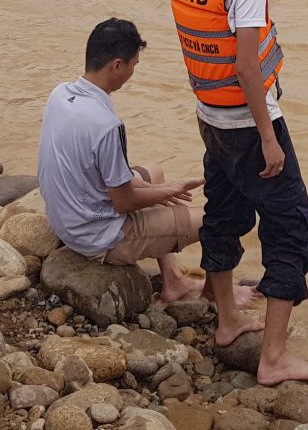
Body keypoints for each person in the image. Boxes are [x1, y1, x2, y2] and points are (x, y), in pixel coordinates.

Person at [168, 0, 308, 385]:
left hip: (208, 115)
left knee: (225, 206)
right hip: (245, 120)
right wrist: (267, 137)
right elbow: (246, 66)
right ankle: (274, 358)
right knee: (290, 226)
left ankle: (229, 320)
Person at [38, 18, 204, 300]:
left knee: (154, 172)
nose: (132, 73)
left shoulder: (61, 94)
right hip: (96, 235)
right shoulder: (106, 125)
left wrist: (156, 189)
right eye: (133, 66)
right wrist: (172, 190)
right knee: (214, 221)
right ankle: (220, 300)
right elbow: (124, 202)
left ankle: (173, 281)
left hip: (64, 217)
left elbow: (100, 176)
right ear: (117, 65)